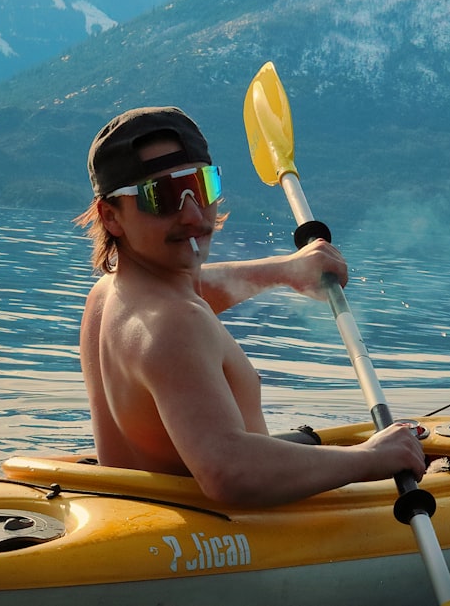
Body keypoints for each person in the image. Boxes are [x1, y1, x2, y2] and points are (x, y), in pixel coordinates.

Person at [75, 106, 426, 507]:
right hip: (213, 541)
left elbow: (188, 292)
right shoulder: (177, 323)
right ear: (110, 215)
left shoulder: (108, 297)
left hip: (133, 517)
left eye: (201, 187)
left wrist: (286, 270)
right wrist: (371, 458)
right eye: (163, 196)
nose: (192, 215)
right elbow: (231, 473)